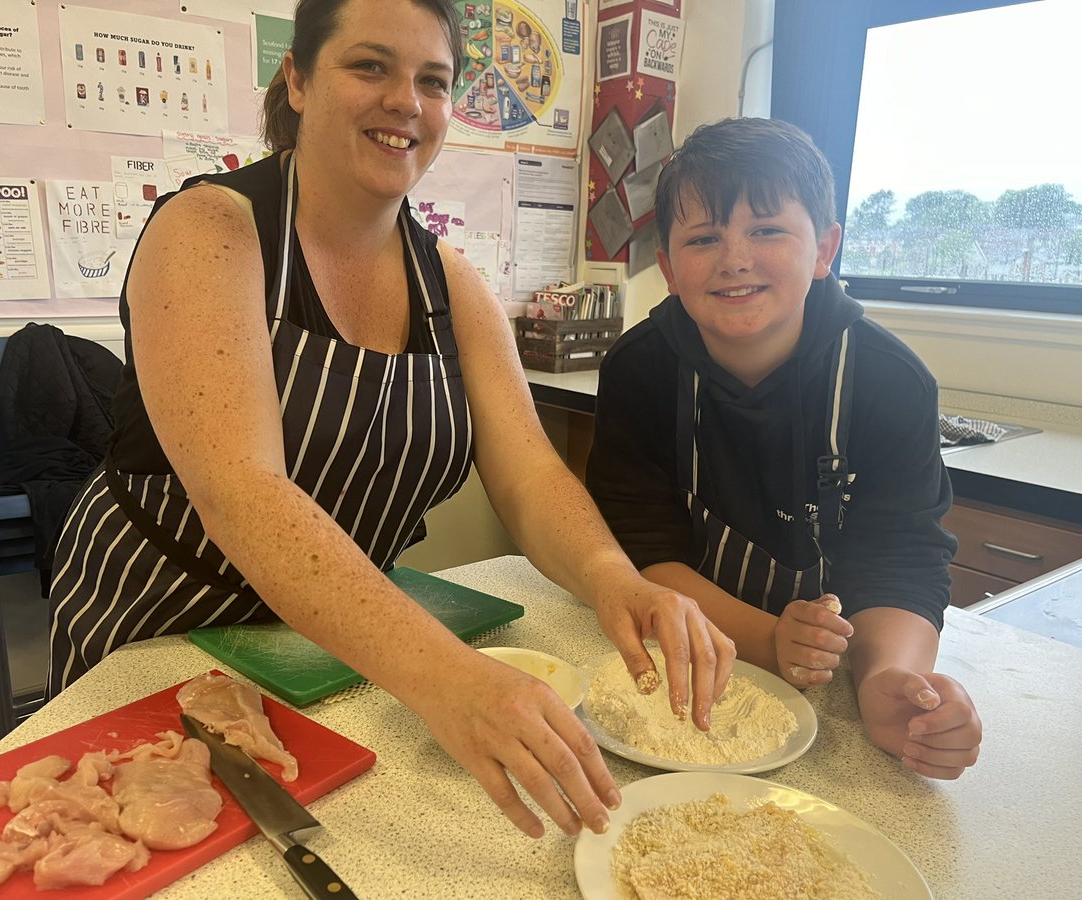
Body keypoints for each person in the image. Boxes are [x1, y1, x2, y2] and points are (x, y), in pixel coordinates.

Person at [48, 0, 735, 839]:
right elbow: (242, 491)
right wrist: (450, 680)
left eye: (433, 81)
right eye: (370, 66)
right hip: (162, 632)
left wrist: (612, 577)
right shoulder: (210, 233)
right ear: (297, 79)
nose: (406, 100)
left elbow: (528, 475)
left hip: (344, 646)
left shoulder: (453, 285)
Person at [587, 117, 982, 779]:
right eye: (704, 237)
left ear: (825, 248)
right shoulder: (639, 369)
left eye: (767, 230)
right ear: (670, 269)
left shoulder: (890, 381)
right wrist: (770, 639)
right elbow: (641, 552)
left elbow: (902, 558)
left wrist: (890, 677)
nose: (735, 258)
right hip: (688, 664)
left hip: (837, 681)